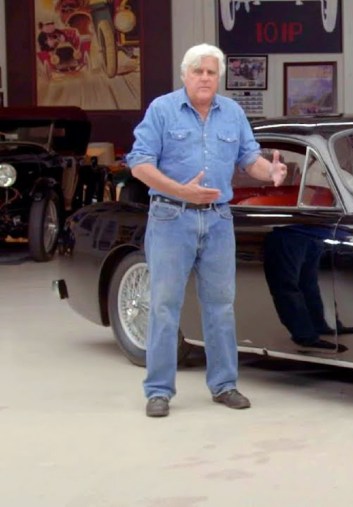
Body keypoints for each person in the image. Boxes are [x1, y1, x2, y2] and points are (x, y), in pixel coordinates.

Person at [125, 43, 287, 418]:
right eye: (197, 71)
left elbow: (249, 159)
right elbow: (139, 164)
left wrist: (271, 172)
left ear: (219, 78)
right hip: (171, 217)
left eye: (211, 72)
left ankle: (224, 385)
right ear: (184, 75)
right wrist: (181, 191)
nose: (204, 78)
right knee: (164, 305)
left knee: (221, 306)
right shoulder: (162, 109)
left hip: (217, 220)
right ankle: (159, 390)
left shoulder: (232, 113)